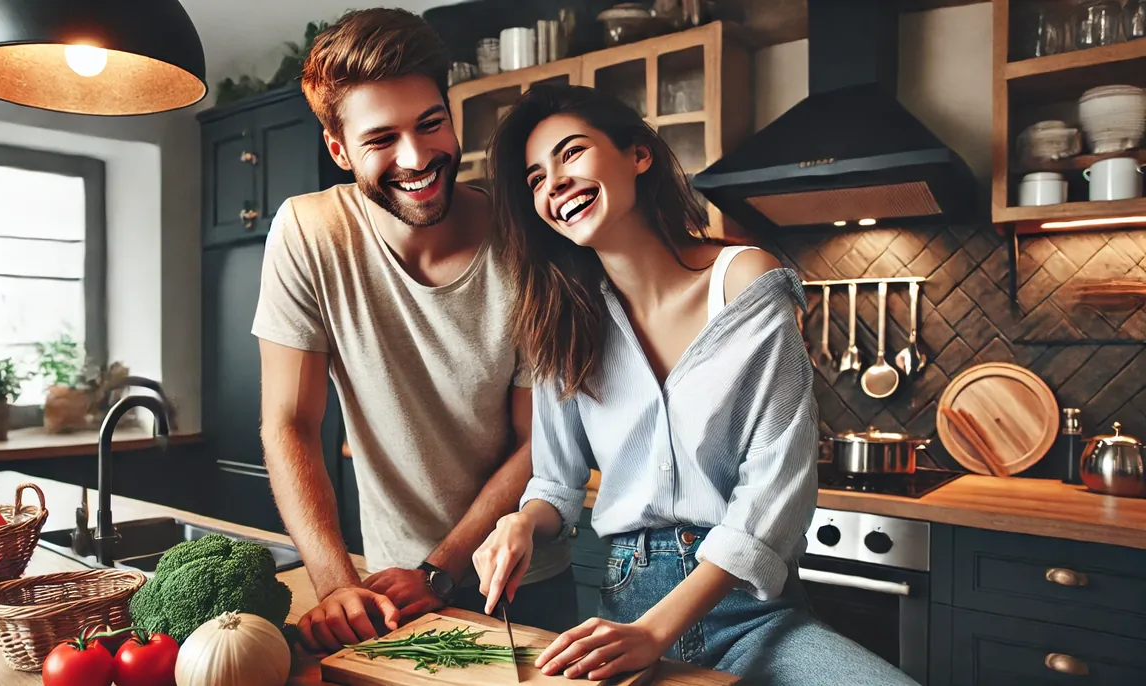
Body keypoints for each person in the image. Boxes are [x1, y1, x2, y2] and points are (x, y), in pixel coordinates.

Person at [471, 84, 917, 685]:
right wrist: (521, 523)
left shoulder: (744, 280)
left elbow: (772, 492)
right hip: (625, 609)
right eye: (534, 179)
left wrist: (658, 633)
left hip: (751, 614)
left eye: (571, 153)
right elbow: (556, 481)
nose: (553, 183)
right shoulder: (561, 320)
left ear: (638, 155)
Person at [251, 9, 575, 654]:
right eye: (381, 139)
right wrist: (335, 583)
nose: (418, 157)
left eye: (432, 124)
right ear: (339, 151)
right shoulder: (309, 233)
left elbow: (538, 440)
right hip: (386, 587)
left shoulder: (527, 242)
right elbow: (289, 422)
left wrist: (442, 568)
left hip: (516, 575)